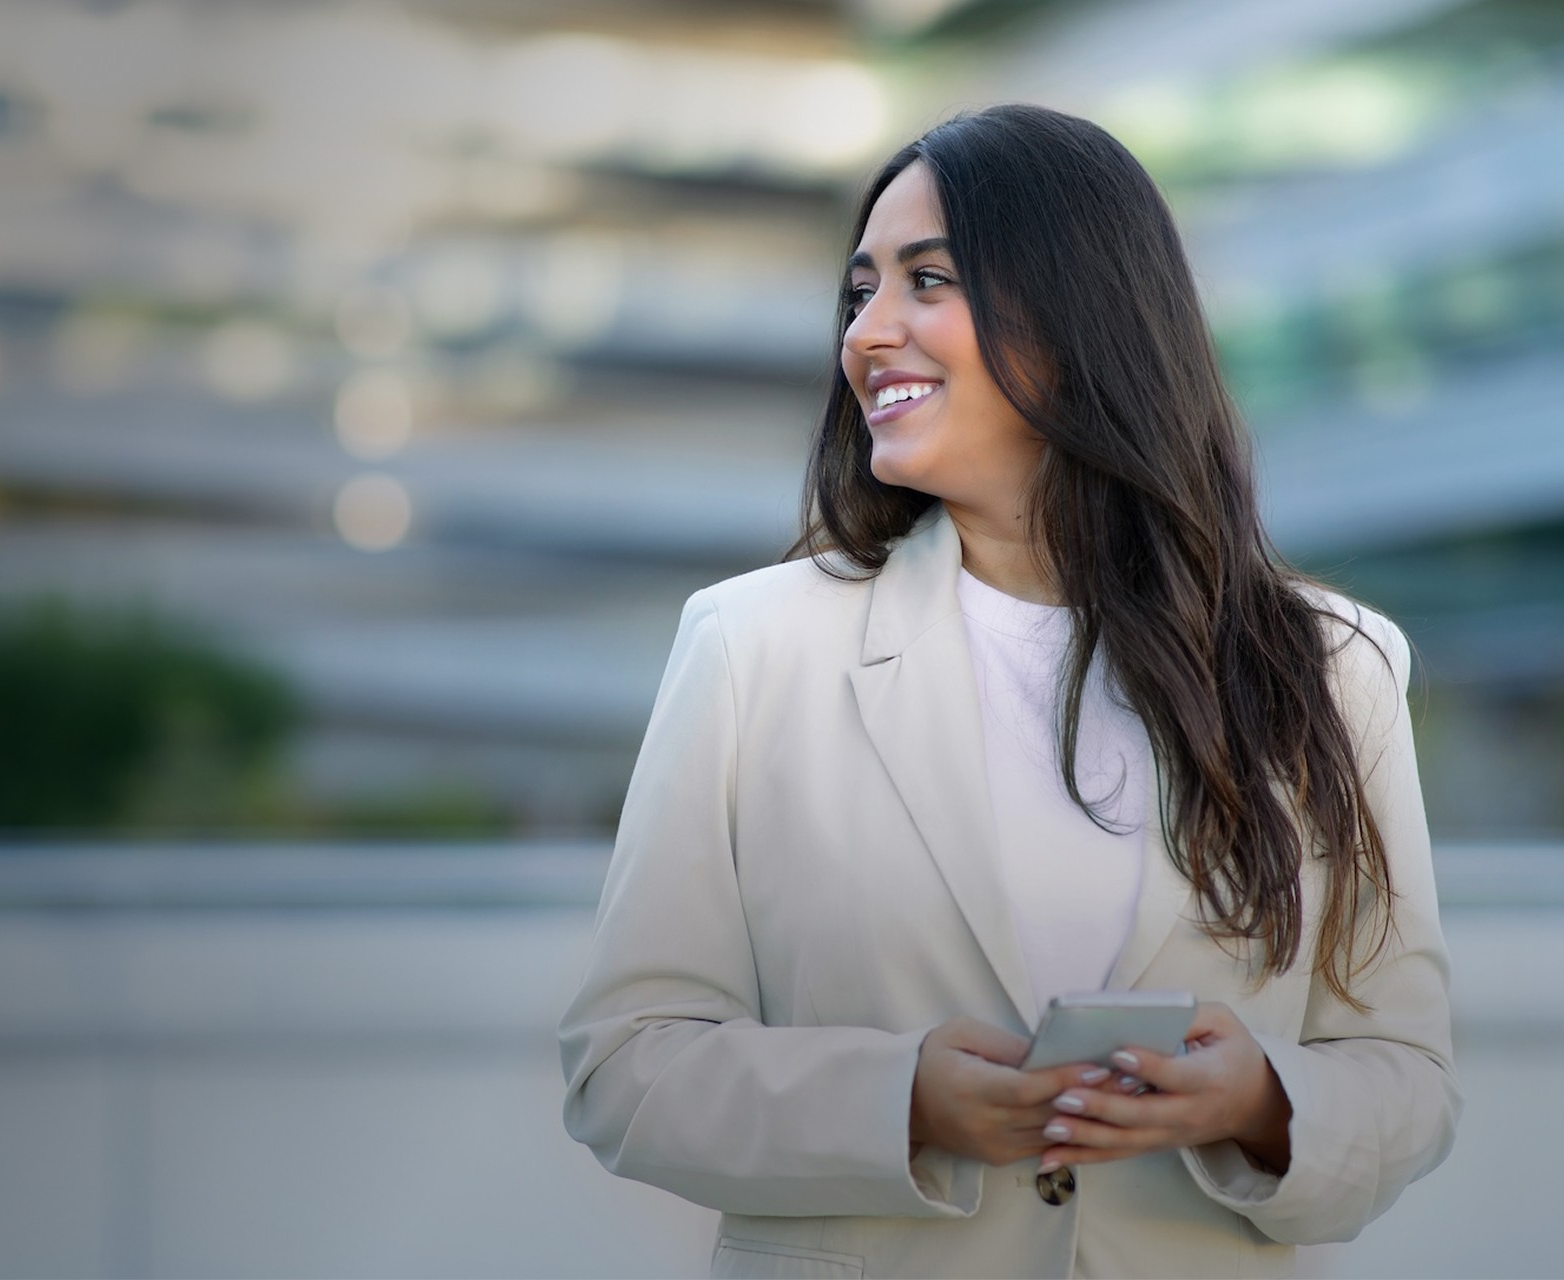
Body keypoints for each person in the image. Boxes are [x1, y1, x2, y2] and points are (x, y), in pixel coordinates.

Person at [557, 104, 1459, 1279]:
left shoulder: (1338, 668)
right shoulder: (751, 644)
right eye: (858, 291)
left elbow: (1407, 1072)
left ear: (1084, 312)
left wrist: (1263, 1098)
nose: (869, 332)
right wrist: (902, 1099)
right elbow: (625, 1063)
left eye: (928, 281)